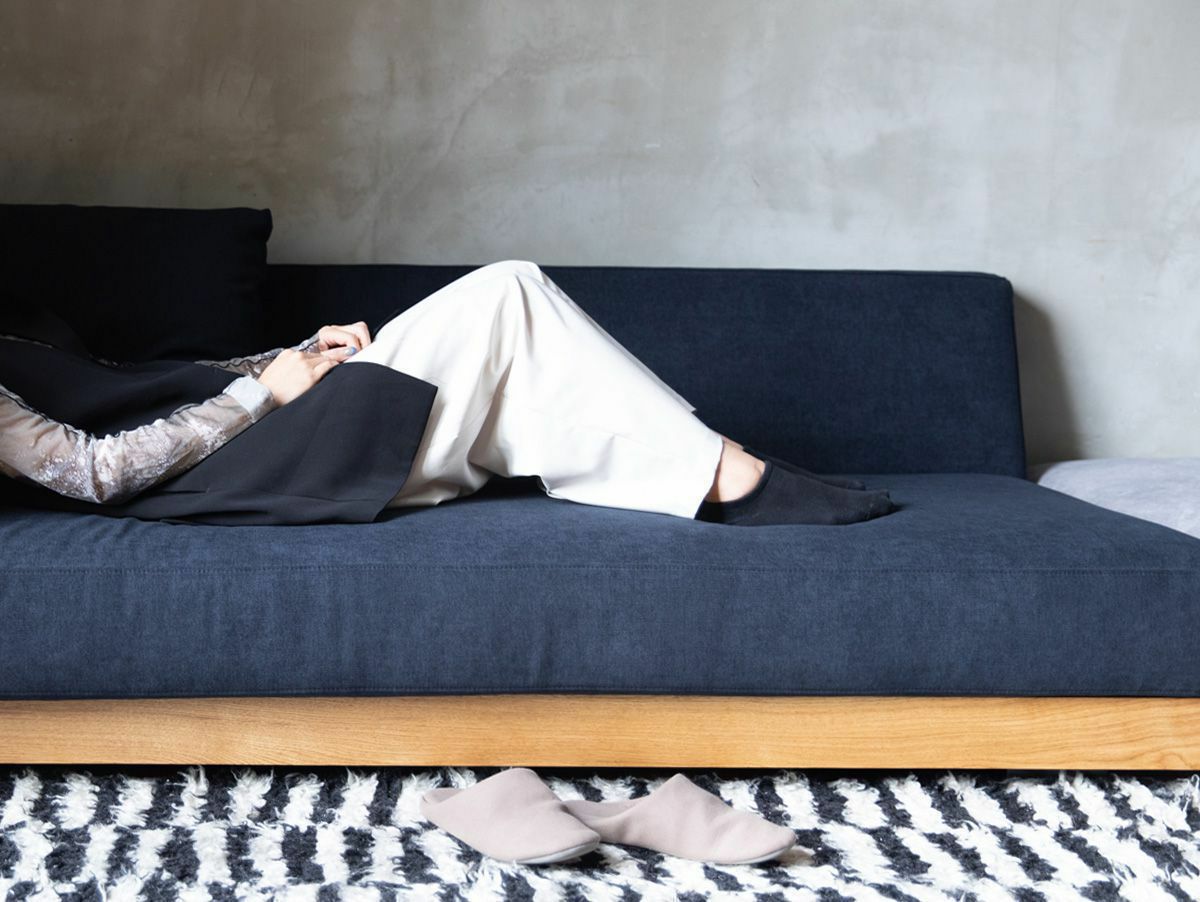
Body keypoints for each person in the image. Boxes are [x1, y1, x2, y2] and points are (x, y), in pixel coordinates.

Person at [0, 259, 894, 526]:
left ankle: (714, 469)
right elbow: (91, 473)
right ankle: (725, 474)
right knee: (507, 293)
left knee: (511, 303)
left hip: (259, 425)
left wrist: (294, 355)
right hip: (239, 466)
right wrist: (263, 396)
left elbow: (146, 387)